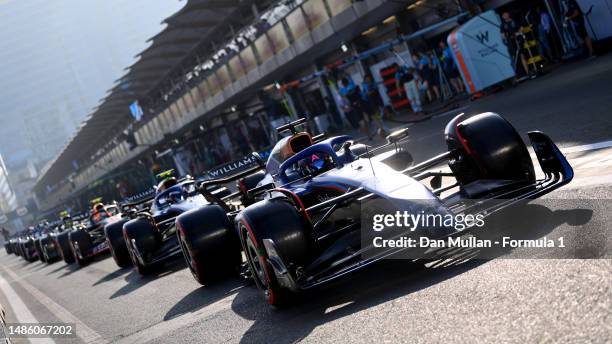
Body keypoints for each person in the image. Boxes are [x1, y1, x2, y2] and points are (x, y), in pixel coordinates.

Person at [500, 12, 530, 77]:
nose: (505, 15)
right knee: (515, 57)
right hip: (511, 43)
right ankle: (518, 74)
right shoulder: (503, 25)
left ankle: (528, 72)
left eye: (506, 14)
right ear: (502, 17)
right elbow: (502, 35)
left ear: (508, 14)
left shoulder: (514, 21)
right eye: (503, 15)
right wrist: (506, 37)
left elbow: (521, 28)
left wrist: (518, 33)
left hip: (519, 40)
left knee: (522, 55)